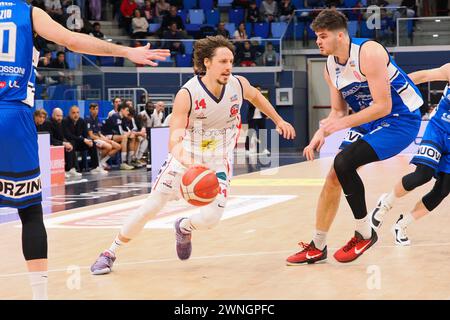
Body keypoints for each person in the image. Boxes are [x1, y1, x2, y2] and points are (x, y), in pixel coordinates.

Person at [0, 0, 169, 300]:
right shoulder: (27, 12)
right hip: (12, 115)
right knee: (29, 212)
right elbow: (73, 40)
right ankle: (40, 297)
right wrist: (126, 51)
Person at [90, 35, 296, 275]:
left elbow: (257, 97)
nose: (229, 66)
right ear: (207, 62)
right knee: (151, 207)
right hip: (185, 157)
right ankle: (110, 252)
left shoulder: (238, 84)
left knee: (211, 218)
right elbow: (173, 141)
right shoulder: (187, 93)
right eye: (222, 61)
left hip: (218, 159)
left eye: (231, 61)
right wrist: (190, 164)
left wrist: (279, 120)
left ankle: (184, 227)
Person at [285, 9, 423, 265]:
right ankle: (318, 245)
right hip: (370, 119)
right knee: (333, 175)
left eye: (323, 36)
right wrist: (322, 130)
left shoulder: (369, 52)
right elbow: (338, 110)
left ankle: (364, 233)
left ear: (340, 35)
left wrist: (339, 126)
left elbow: (383, 106)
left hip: (401, 120)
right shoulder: (329, 67)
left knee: (343, 162)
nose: (318, 41)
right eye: (317, 36)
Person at [369, 63, 450, 246]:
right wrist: (388, 88)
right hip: (437, 130)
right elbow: (422, 76)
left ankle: (402, 225)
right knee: (422, 175)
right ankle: (385, 204)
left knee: (443, 190)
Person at [86, 103, 122, 170]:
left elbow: (99, 133)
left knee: (118, 146)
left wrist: (105, 139)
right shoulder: (88, 119)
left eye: (97, 109)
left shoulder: (97, 119)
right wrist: (103, 140)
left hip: (99, 138)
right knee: (109, 146)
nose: (95, 111)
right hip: (92, 140)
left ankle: (102, 161)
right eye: (93, 109)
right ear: (90, 110)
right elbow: (91, 135)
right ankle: (98, 163)